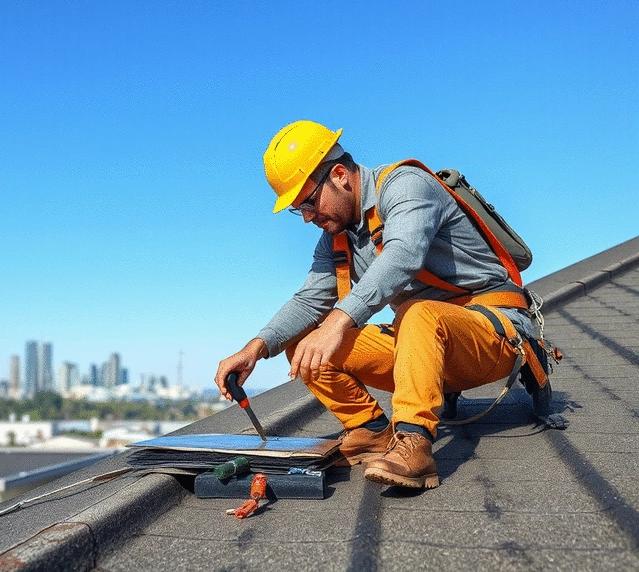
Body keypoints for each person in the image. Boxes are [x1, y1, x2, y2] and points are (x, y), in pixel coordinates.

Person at [215, 120, 539, 490]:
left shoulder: (405, 186)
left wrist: (337, 322)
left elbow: (403, 255)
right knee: (302, 343)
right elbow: (308, 301)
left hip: (492, 334)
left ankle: (415, 444)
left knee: (413, 314)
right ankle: (370, 432)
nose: (306, 216)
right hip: (423, 349)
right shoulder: (337, 237)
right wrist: (255, 349)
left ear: (340, 175)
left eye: (307, 201)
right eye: (297, 209)